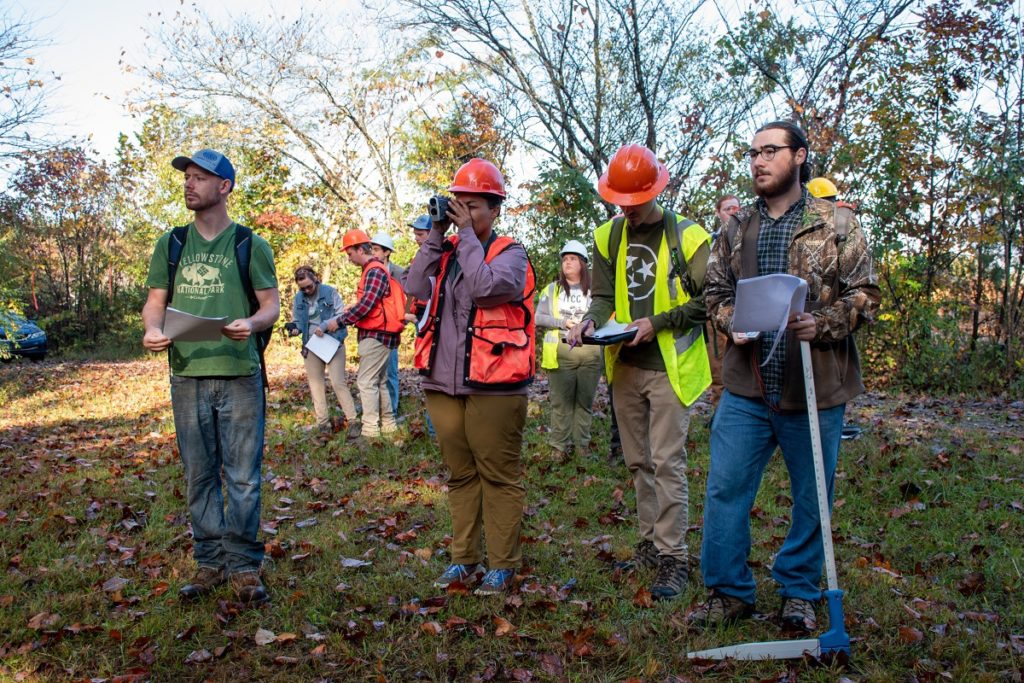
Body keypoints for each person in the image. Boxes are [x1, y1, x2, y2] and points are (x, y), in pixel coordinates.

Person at [688, 121, 879, 632]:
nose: (758, 161)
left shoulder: (835, 222)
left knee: (812, 495)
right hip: (748, 387)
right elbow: (714, 296)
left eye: (770, 151)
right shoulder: (734, 228)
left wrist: (825, 323)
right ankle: (728, 591)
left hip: (815, 384)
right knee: (726, 488)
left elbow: (866, 292)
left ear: (798, 156)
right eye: (753, 153)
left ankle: (798, 589)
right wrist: (734, 323)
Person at [567, 143, 712, 601]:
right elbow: (605, 297)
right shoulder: (608, 237)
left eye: (634, 202)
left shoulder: (689, 237)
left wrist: (659, 323)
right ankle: (650, 545)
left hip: (670, 367)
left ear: (656, 190)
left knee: (668, 462)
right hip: (624, 366)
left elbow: (712, 300)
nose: (626, 211)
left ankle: (674, 558)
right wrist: (592, 320)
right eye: (619, 203)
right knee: (637, 462)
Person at [141, 148, 279, 606]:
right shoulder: (172, 244)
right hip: (187, 375)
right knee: (199, 473)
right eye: (187, 177)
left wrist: (253, 324)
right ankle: (209, 563)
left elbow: (270, 305)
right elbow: (156, 300)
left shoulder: (249, 244)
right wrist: (152, 329)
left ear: (225, 187)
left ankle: (243, 567)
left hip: (240, 374)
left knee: (242, 477)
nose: (189, 184)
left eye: (200, 178)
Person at [405, 158, 535, 596]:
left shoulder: (511, 254)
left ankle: (502, 564)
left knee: (498, 474)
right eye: (458, 205)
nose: (464, 213)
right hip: (443, 383)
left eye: (474, 207)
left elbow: (485, 288)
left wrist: (464, 239)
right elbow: (416, 289)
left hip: (495, 384)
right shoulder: (445, 251)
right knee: (460, 475)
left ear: (495, 209)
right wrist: (436, 237)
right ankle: (464, 560)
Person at [325, 229, 404, 439]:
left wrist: (339, 321)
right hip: (381, 334)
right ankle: (388, 425)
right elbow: (371, 302)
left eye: (350, 253)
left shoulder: (374, 271)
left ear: (361, 249)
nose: (349, 258)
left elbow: (368, 304)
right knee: (379, 381)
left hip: (376, 335)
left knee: (366, 381)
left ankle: (370, 431)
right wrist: (352, 309)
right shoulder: (373, 270)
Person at [536, 240, 603, 459]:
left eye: (573, 259)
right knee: (561, 402)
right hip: (561, 352)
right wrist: (562, 322)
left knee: (584, 401)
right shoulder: (552, 289)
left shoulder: (597, 290)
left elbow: (607, 316)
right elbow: (538, 318)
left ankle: (581, 446)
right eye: (565, 259)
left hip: (590, 353)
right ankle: (559, 448)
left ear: (583, 263)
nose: (568, 263)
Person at [287, 266, 358, 434]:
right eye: (302, 288)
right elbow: (297, 321)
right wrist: (295, 329)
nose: (306, 290)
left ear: (316, 279)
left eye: (309, 286)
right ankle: (323, 424)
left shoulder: (330, 292)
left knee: (337, 381)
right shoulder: (299, 298)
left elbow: (341, 315)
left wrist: (325, 326)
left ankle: (353, 420)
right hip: (311, 345)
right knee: (316, 384)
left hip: (333, 341)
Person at [706, 195, 741, 407]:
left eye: (737, 208)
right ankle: (720, 412)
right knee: (718, 367)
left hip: (746, 310)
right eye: (728, 208)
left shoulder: (749, 236)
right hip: (718, 313)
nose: (734, 212)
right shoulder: (710, 242)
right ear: (718, 213)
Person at [370, 231, 405, 417]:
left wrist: (403, 317)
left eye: (376, 249)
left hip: (391, 329)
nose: (373, 253)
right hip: (374, 329)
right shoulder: (369, 270)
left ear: (387, 252)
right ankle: (375, 408)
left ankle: (392, 409)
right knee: (374, 372)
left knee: (390, 370)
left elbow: (409, 298)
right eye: (372, 249)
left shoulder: (398, 272)